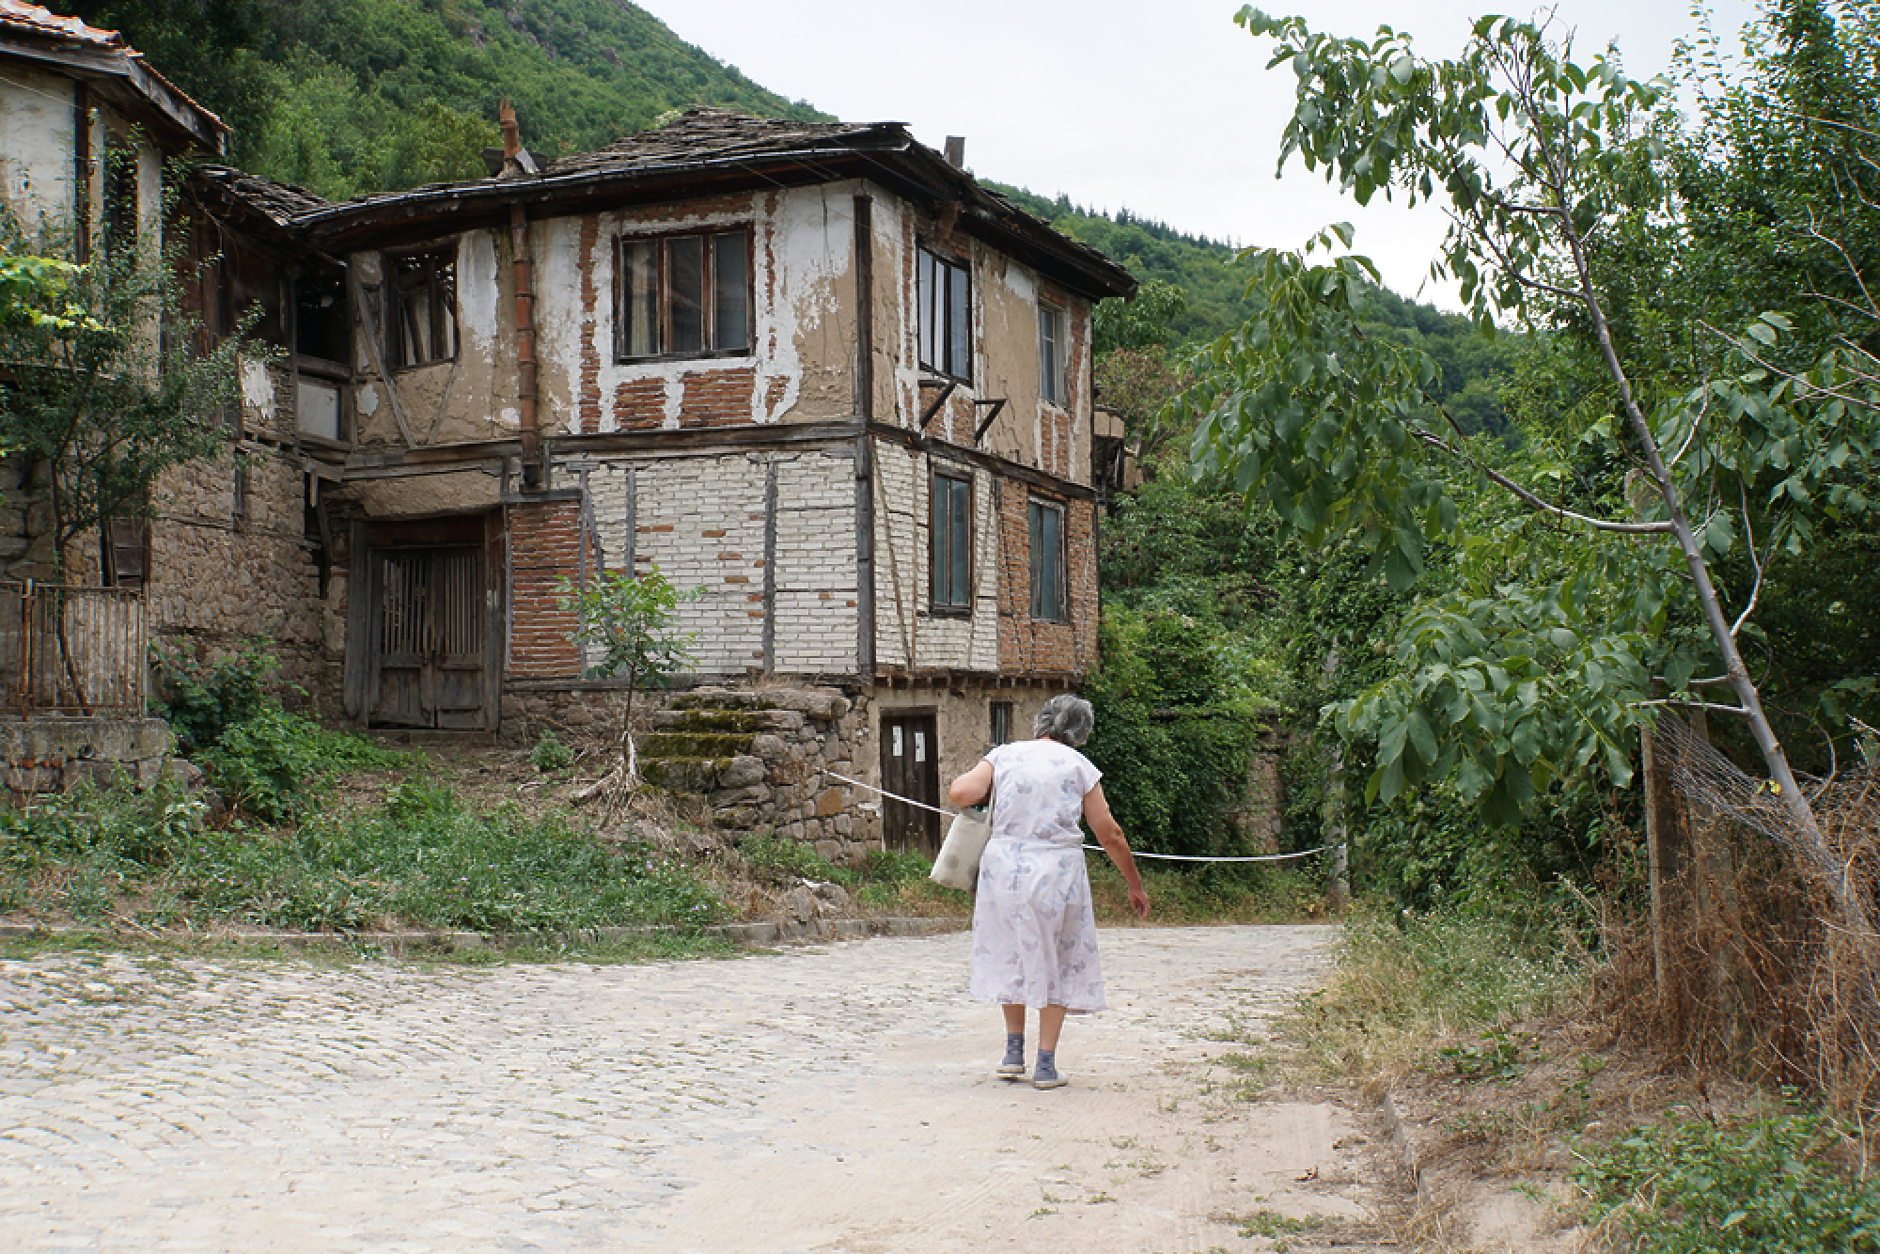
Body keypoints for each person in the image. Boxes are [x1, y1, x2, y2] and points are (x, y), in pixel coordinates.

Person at [946, 694, 1150, 1090]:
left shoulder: (1004, 755)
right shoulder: (1079, 766)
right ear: (1081, 732)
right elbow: (1108, 833)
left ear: (1042, 721)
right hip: (1056, 869)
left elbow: (960, 793)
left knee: (1011, 949)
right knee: (1058, 955)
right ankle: (1045, 1065)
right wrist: (1134, 882)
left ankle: (1011, 1052)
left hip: (1003, 866)